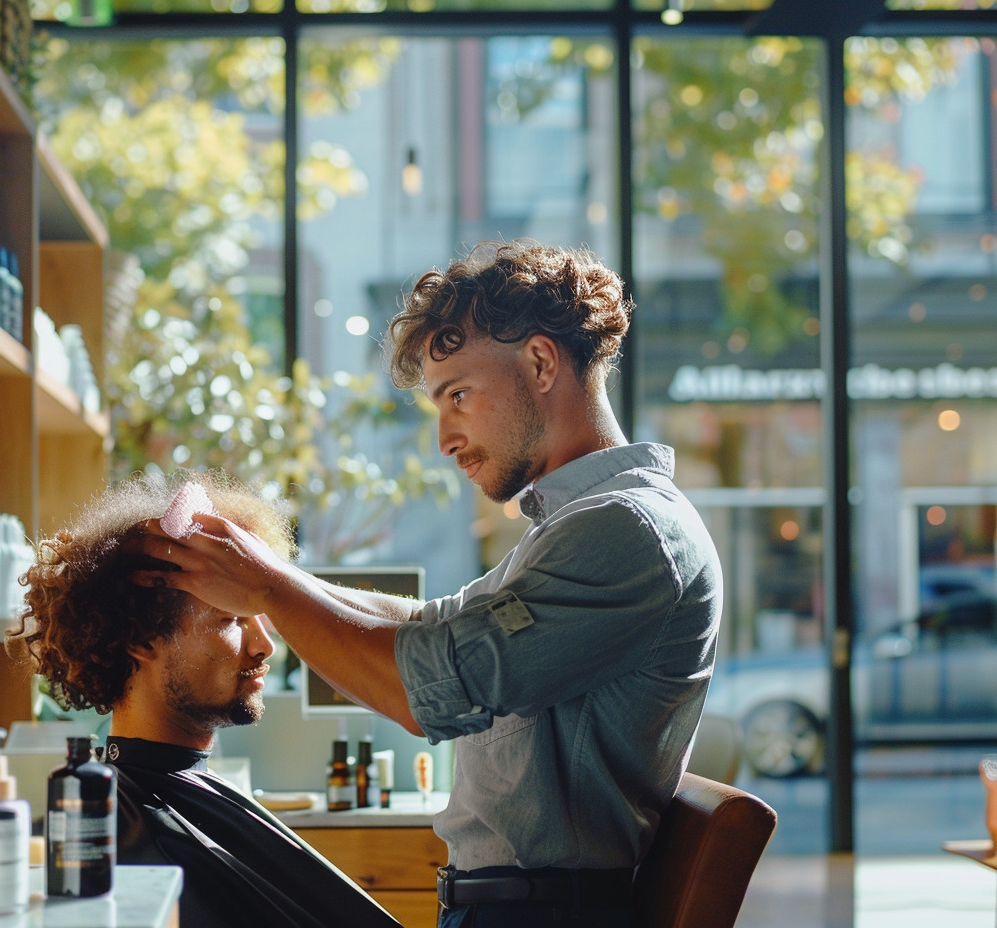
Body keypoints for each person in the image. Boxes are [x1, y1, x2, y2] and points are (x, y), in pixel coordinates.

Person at [135, 239, 724, 928]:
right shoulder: (575, 527)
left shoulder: (626, 530)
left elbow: (430, 692)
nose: (444, 438)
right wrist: (271, 578)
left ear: (540, 362)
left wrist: (267, 589)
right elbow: (433, 626)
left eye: (459, 396)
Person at [8, 471, 402, 928]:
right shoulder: (141, 836)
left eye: (261, 618)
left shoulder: (181, 793)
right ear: (142, 638)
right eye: (231, 620)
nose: (264, 646)